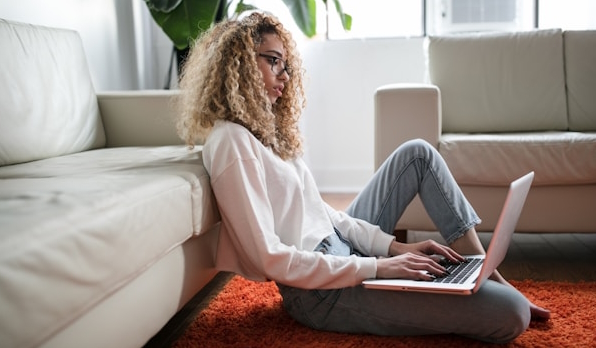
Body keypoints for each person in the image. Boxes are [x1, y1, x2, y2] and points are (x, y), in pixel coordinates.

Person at [175, 11, 550, 344]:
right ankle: (487, 286)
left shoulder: (264, 132)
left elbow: (324, 215)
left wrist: (392, 249)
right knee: (512, 313)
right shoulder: (231, 141)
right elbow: (270, 258)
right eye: (273, 62)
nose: (285, 76)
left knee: (417, 153)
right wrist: (377, 267)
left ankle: (484, 270)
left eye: (286, 65)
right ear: (238, 63)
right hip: (319, 292)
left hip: (341, 250)